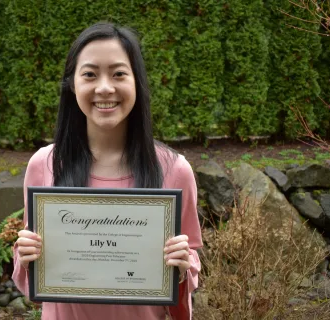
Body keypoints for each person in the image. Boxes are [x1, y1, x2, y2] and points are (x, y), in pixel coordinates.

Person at [12, 22, 202, 320]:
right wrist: (26, 256)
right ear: (72, 84)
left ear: (136, 82)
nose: (104, 87)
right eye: (89, 74)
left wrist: (182, 267)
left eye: (118, 74)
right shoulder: (44, 165)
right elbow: (31, 282)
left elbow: (187, 275)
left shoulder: (174, 170)